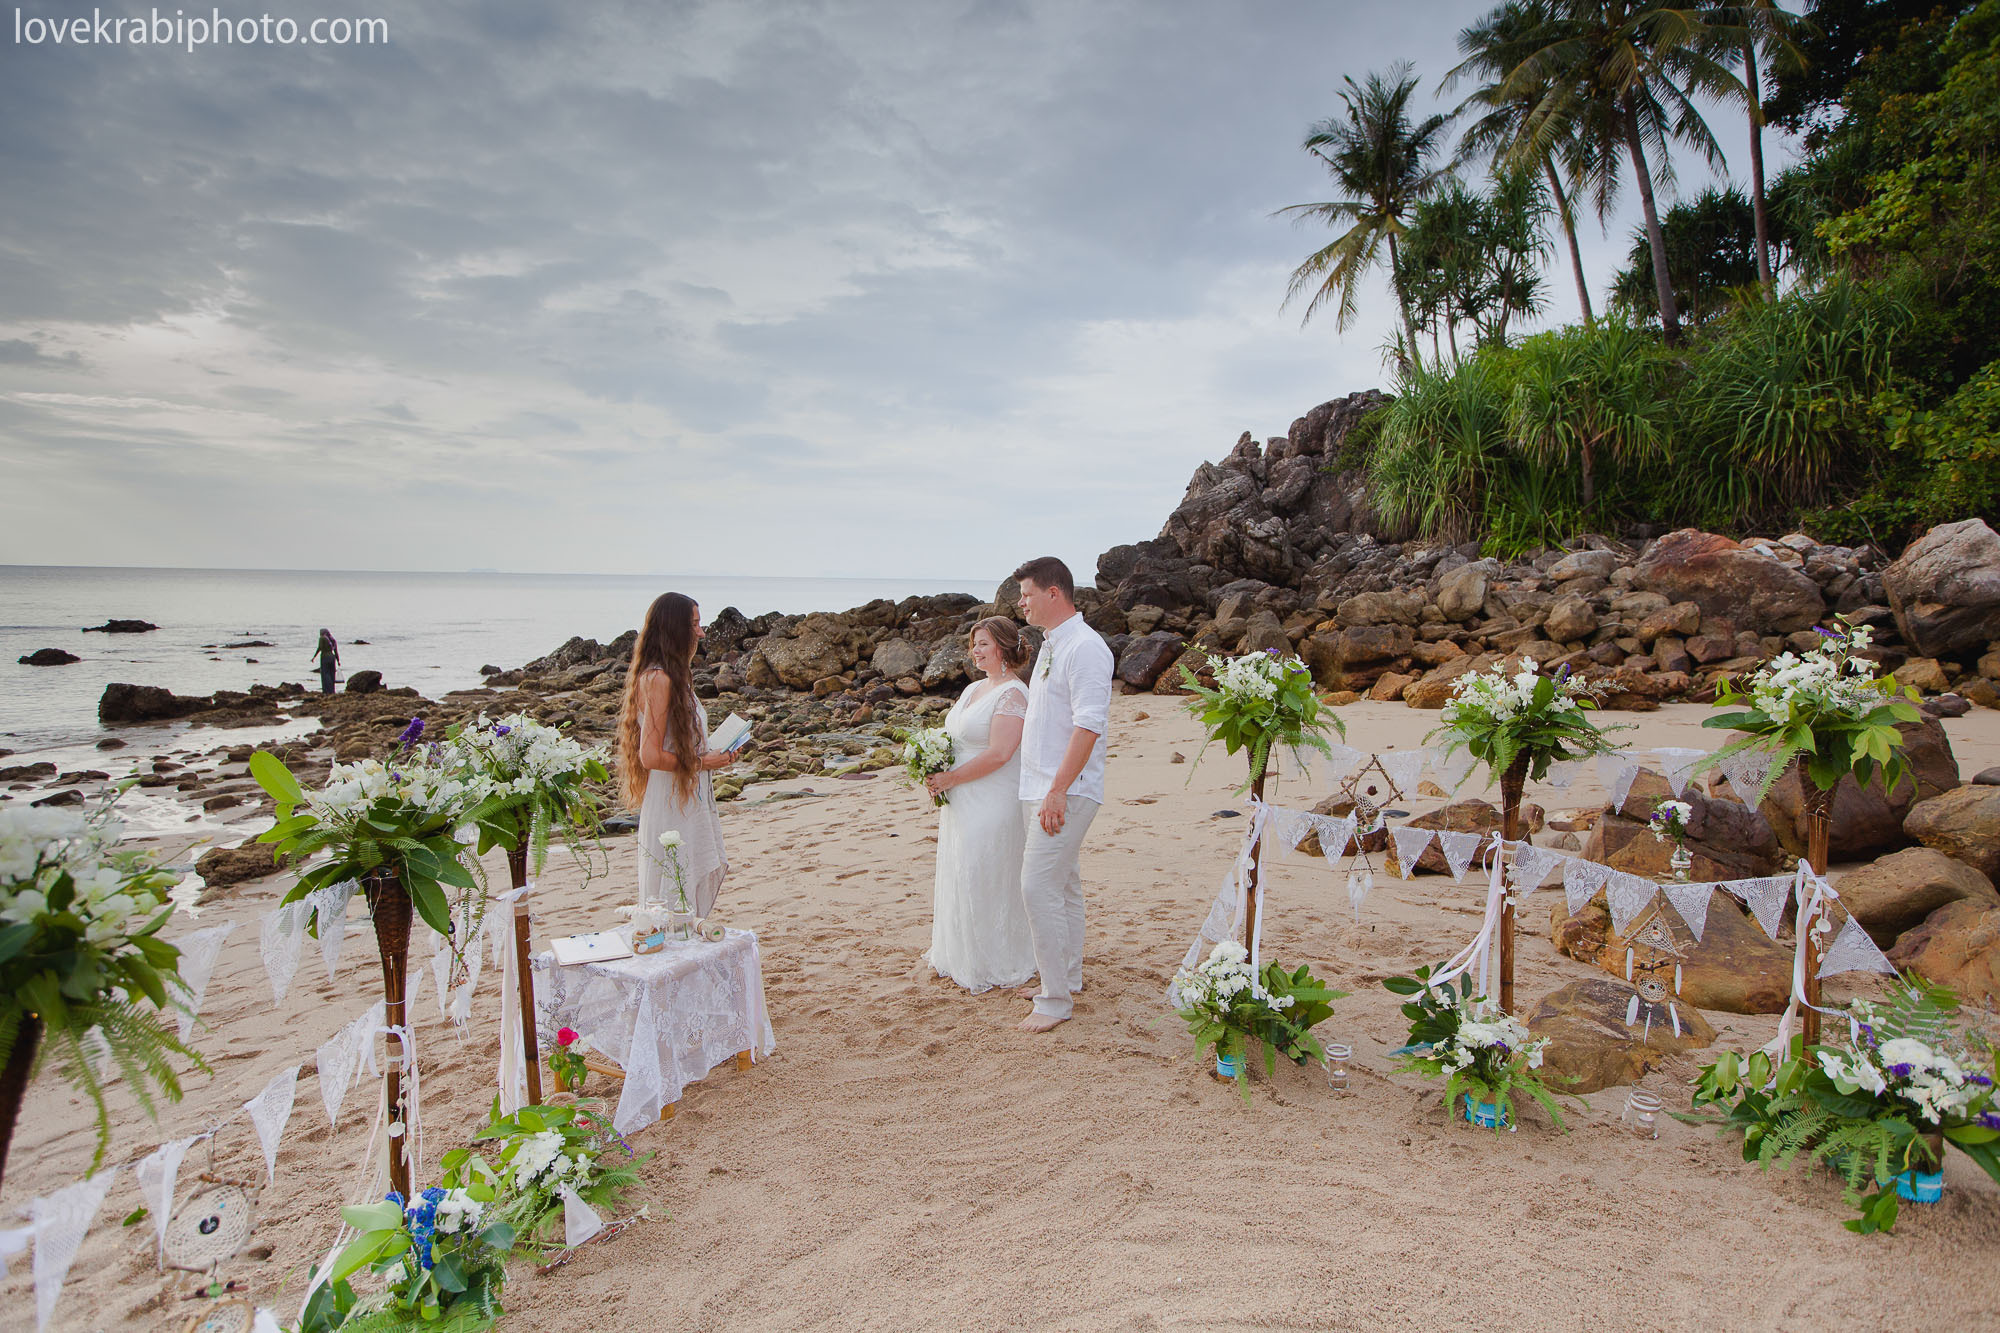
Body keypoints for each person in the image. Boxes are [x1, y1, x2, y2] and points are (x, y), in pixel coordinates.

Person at [1012, 556, 1114, 1033]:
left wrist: (1058, 790)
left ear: (1054, 593)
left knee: (1037, 886)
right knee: (1064, 884)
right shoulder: (1053, 644)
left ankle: (1054, 1000)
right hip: (1039, 786)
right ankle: (1067, 977)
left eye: (1027, 594)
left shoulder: (1086, 648)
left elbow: (1088, 725)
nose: (1021, 603)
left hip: (1066, 790)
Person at [921, 617, 1037, 992]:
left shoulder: (1013, 694)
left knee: (986, 874)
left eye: (983, 643)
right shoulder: (974, 688)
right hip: (961, 800)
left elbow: (1001, 753)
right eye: (974, 644)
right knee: (961, 872)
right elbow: (954, 738)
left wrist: (951, 778)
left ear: (1002, 648)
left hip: (993, 798)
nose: (975, 650)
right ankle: (963, 955)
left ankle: (999, 958)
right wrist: (932, 764)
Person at [616, 593, 734, 917]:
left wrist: (716, 754)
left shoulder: (675, 676)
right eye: (694, 625)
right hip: (671, 801)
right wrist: (703, 763)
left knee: (686, 891)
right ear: (674, 628)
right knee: (672, 895)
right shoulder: (658, 679)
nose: (701, 633)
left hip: (686, 795)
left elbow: (678, 743)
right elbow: (650, 756)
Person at [310, 629, 340, 695]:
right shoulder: (333, 640)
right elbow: (336, 651)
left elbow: (320, 647)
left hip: (325, 657)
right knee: (332, 674)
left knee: (325, 674)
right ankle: (332, 690)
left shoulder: (322, 638)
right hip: (332, 657)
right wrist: (338, 661)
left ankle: (326, 691)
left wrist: (314, 657)